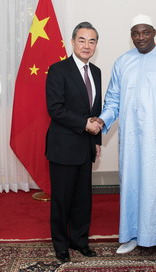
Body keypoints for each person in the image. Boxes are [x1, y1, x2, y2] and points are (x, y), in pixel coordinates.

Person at [93, 14, 156, 262]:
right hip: (132, 142)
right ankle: (133, 235)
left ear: (154, 32)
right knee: (133, 187)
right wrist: (102, 119)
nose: (140, 38)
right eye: (135, 33)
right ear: (131, 35)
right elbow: (113, 100)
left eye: (145, 32)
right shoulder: (122, 63)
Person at [45, 21, 102, 262]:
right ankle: (60, 244)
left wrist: (97, 138)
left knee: (82, 199)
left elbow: (95, 109)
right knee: (62, 199)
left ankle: (80, 240)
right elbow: (55, 109)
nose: (87, 45)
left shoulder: (97, 72)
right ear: (72, 42)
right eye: (82, 40)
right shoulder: (58, 70)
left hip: (86, 146)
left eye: (92, 41)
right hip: (63, 147)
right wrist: (84, 124)